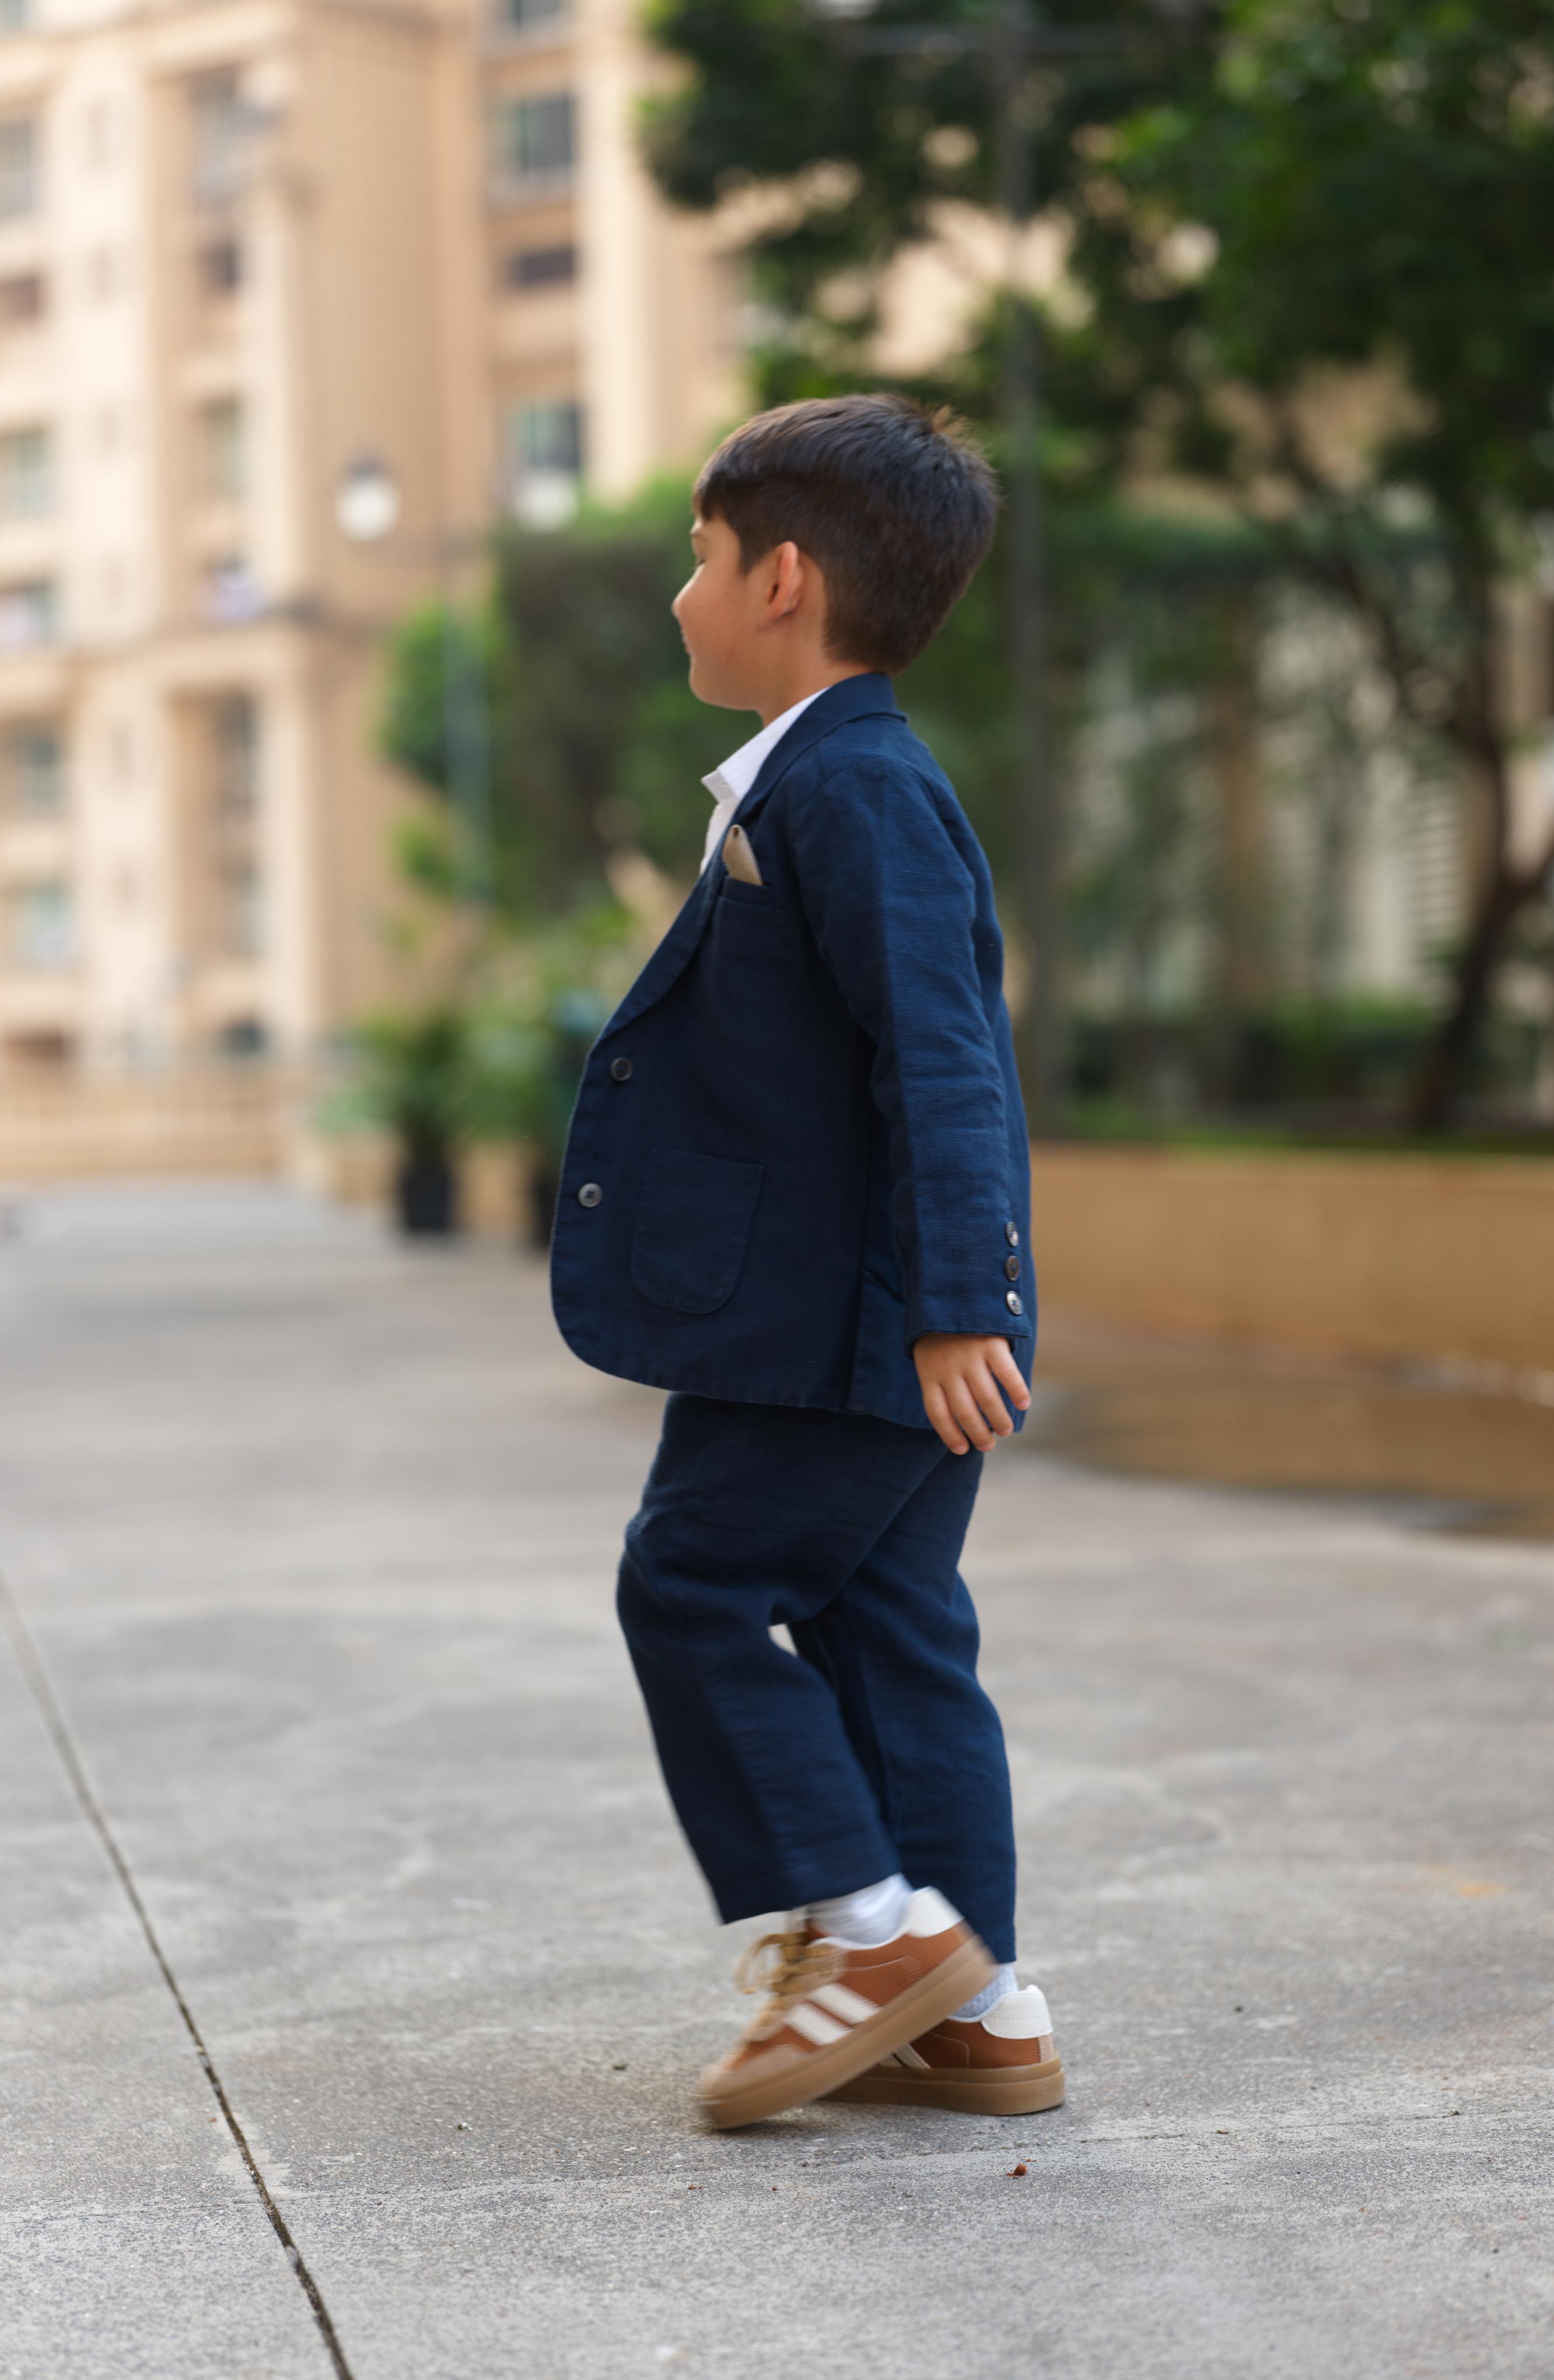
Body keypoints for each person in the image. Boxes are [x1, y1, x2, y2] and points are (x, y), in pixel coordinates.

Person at [550, 393, 1062, 2129]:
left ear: (781, 580)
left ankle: (873, 1928)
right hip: (870, 1318)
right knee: (886, 1626)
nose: (679, 596)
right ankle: (981, 2009)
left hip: (847, 1328)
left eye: (698, 560)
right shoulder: (826, 779)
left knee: (690, 1583)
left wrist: (957, 1305)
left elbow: (944, 1057)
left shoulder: (851, 788)